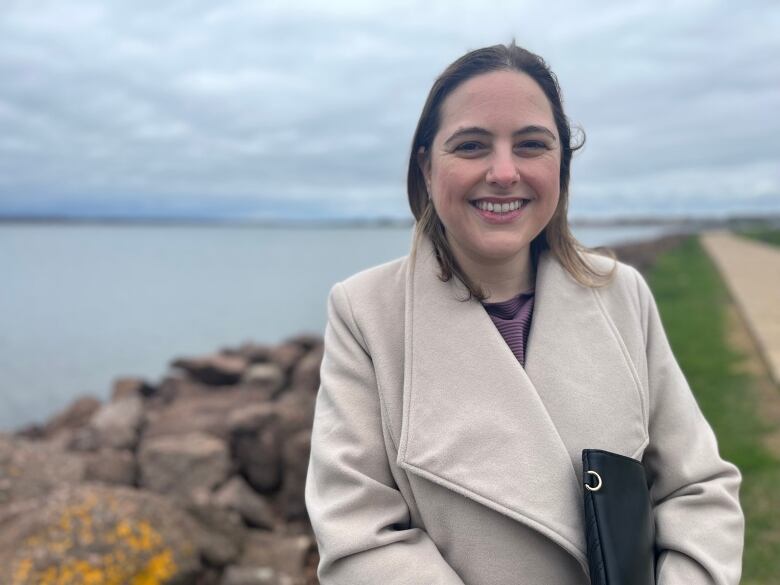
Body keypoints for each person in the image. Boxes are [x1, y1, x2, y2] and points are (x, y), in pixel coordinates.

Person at [304, 42, 744, 584]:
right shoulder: (365, 313)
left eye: (532, 145)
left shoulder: (622, 294)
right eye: (471, 145)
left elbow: (698, 490)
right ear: (426, 164)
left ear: (562, 162)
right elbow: (359, 540)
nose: (505, 172)